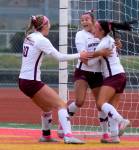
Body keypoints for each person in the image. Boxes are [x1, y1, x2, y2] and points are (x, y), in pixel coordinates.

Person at [18, 15, 92, 144]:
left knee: (47, 108)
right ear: (44, 25)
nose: (50, 26)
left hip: (23, 81)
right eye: (49, 24)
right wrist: (80, 55)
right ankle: (68, 136)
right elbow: (59, 57)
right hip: (31, 81)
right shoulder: (41, 40)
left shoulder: (29, 37)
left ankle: (46, 136)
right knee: (61, 105)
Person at [57, 10, 122, 140]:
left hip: (98, 74)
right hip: (83, 72)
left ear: (93, 21)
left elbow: (111, 47)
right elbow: (84, 58)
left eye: (86, 19)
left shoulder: (102, 35)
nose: (84, 22)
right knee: (80, 101)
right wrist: (100, 53)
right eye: (82, 20)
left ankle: (105, 133)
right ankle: (63, 123)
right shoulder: (80, 35)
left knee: (101, 104)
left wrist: (117, 46)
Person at [86, 20, 132, 143]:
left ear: (101, 31)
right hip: (121, 75)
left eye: (95, 27)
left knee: (101, 104)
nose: (93, 29)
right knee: (111, 107)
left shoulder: (103, 43)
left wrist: (85, 56)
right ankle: (114, 136)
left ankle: (121, 120)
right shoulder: (109, 40)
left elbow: (90, 62)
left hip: (113, 76)